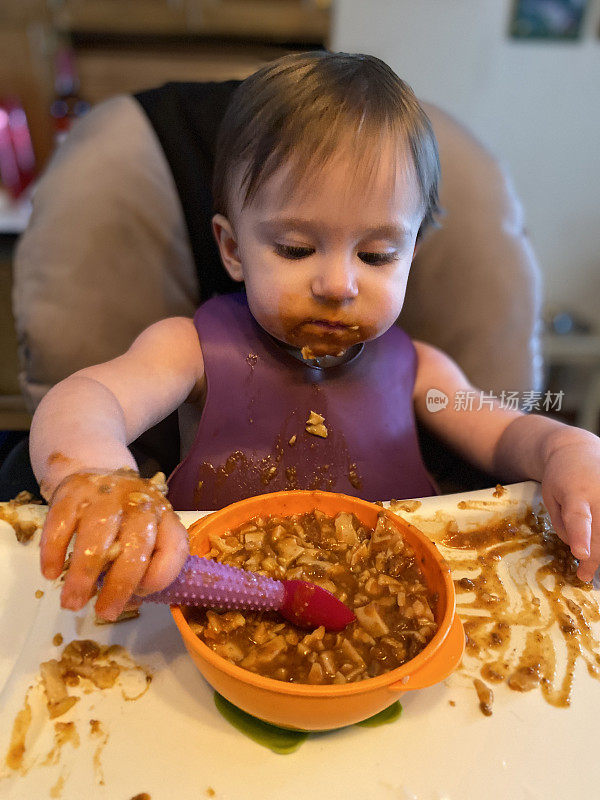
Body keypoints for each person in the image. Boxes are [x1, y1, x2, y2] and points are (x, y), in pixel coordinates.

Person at [30, 51, 600, 624]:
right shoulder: (191, 350)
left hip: (394, 615)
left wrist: (566, 450)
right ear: (232, 249)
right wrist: (96, 477)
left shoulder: (420, 371)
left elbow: (504, 433)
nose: (337, 284)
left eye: (377, 255)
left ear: (410, 258)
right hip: (207, 607)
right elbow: (88, 399)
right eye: (296, 249)